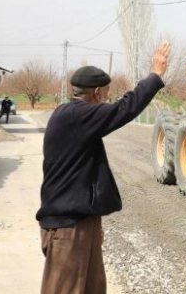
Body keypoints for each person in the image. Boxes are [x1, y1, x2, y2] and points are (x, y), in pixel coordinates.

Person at [35, 41, 172, 294]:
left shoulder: (73, 116)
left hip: (81, 222)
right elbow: (124, 109)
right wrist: (155, 75)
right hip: (68, 227)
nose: (107, 99)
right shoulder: (77, 115)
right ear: (97, 92)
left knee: (93, 288)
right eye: (106, 94)